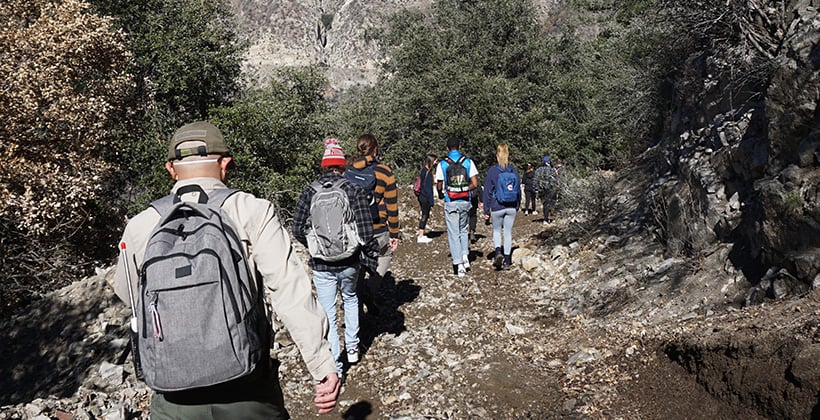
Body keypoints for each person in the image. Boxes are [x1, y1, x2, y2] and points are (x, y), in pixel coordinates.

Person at [113, 121, 339, 419]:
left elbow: (128, 296)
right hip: (246, 387)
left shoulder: (141, 225)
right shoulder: (252, 211)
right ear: (225, 164)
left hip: (172, 394)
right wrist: (321, 366)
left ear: (171, 169)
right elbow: (289, 290)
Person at [292, 138, 377, 380]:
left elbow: (297, 228)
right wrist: (366, 252)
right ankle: (352, 347)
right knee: (350, 299)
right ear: (342, 165)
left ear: (323, 166)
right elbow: (365, 230)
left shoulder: (309, 191)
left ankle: (336, 367)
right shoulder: (353, 189)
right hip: (349, 261)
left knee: (328, 312)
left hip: (321, 264)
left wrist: (313, 245)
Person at [347, 134, 400, 316]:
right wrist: (394, 233)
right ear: (376, 149)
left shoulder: (348, 170)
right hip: (378, 228)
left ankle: (356, 303)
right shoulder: (384, 172)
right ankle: (370, 290)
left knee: (358, 266)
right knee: (384, 256)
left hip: (354, 228)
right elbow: (392, 206)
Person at [435, 137, 479, 277]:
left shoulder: (442, 164)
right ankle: (465, 255)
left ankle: (458, 264)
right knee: (463, 229)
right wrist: (465, 189)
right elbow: (475, 183)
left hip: (451, 201)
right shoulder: (468, 161)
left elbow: (439, 184)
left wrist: (442, 194)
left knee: (453, 232)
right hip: (465, 200)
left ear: (447, 148)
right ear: (460, 146)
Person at [483, 144, 521, 270]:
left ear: (497, 155)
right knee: (508, 232)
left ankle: (498, 252)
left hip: (497, 205)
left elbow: (487, 191)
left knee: (497, 231)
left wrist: (486, 209)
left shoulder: (492, 171)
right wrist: (517, 205)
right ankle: (508, 261)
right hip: (511, 206)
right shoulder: (513, 170)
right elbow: (518, 190)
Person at [416, 154, 438, 243]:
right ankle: (421, 235)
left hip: (421, 196)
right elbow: (428, 189)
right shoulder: (427, 172)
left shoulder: (424, 170)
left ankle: (421, 233)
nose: (437, 163)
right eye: (436, 161)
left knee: (424, 215)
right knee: (425, 215)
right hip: (425, 197)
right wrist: (431, 201)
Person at [534, 155, 558, 223]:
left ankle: (545, 219)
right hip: (550, 189)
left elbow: (535, 180)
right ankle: (550, 217)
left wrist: (536, 190)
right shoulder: (551, 170)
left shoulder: (538, 170)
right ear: (548, 162)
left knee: (545, 204)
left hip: (541, 189)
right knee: (551, 203)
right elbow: (554, 180)